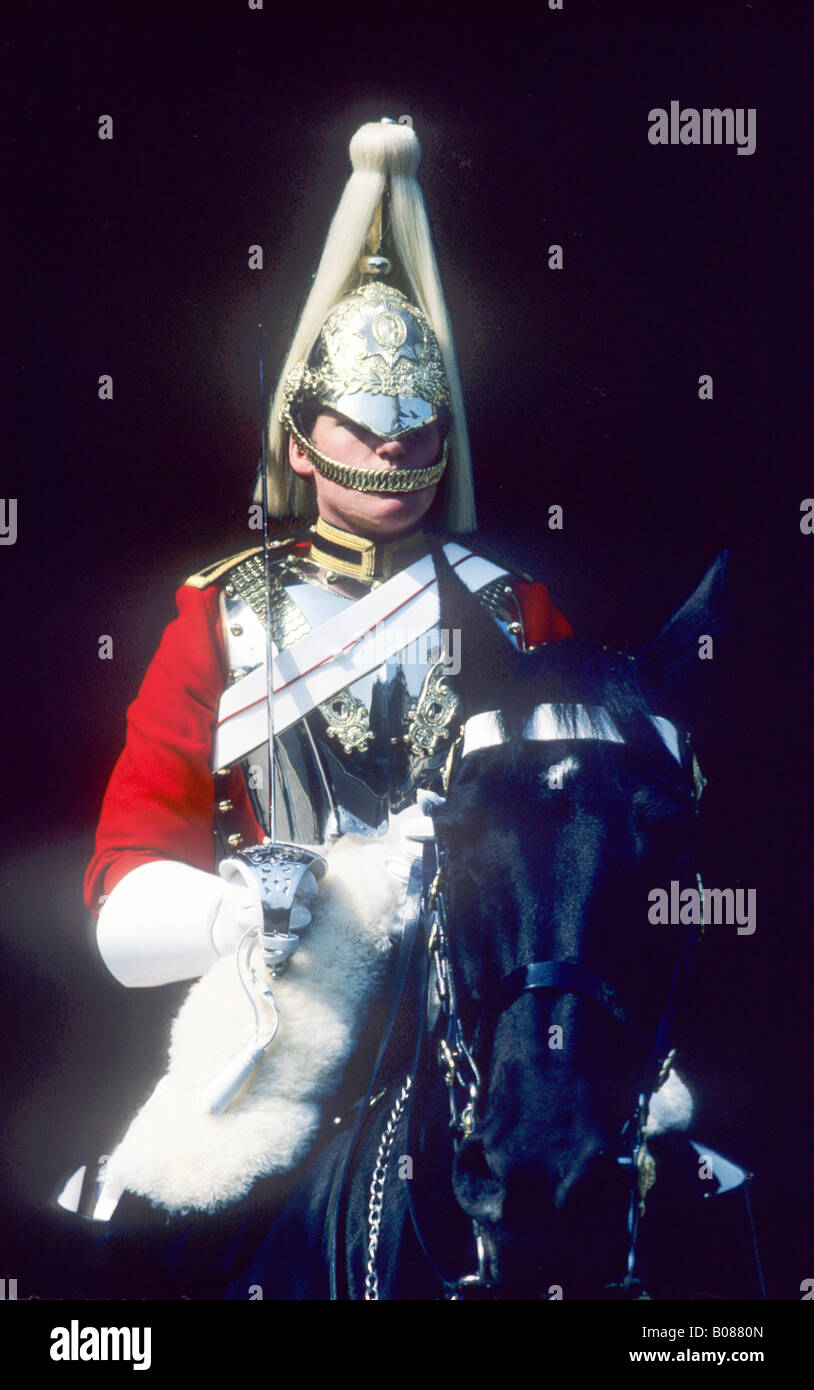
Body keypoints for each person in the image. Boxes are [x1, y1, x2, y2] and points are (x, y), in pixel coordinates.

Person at [65, 120, 572, 1267]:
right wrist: (239, 908)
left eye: (418, 429)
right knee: (150, 1226)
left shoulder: (516, 610)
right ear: (302, 440)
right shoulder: (224, 611)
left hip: (497, 993)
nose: (391, 453)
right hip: (292, 993)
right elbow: (129, 859)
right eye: (360, 425)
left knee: (682, 1184)